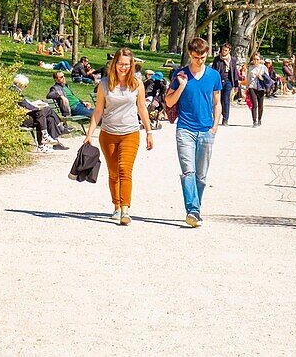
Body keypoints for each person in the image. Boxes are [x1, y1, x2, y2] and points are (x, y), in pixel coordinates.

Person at [85, 48, 154, 225]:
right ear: (114, 64)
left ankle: (125, 210)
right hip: (108, 133)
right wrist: (90, 133)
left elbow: (142, 108)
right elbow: (98, 110)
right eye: (120, 64)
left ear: (132, 65)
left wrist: (149, 131)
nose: (123, 67)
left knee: (125, 170)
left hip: (130, 132)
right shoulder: (104, 84)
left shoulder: (137, 84)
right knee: (113, 172)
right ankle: (116, 206)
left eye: (127, 64)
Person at [164, 37, 222, 227]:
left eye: (203, 57)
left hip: (206, 130)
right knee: (188, 171)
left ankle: (195, 209)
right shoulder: (180, 74)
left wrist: (215, 126)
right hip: (185, 129)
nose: (200, 61)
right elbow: (170, 102)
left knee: (201, 175)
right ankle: (193, 210)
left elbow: (217, 102)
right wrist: (181, 85)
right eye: (196, 57)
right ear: (190, 54)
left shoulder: (213, 75)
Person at [13, 74, 66, 152]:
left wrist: (35, 106)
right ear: (20, 85)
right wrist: (37, 107)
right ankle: (52, 133)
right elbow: (27, 106)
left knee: (48, 118)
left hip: (24, 116)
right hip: (21, 119)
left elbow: (26, 105)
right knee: (43, 111)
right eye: (25, 86)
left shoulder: (15, 91)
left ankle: (45, 142)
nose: (25, 87)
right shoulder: (16, 93)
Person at [210, 43, 239, 126]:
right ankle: (215, 117)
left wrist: (236, 85)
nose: (223, 52)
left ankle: (225, 118)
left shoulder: (232, 60)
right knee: (217, 100)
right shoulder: (217, 59)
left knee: (225, 100)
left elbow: (235, 73)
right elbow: (213, 71)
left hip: (228, 82)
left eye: (225, 50)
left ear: (229, 51)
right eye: (222, 50)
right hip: (218, 81)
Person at [246, 54, 269, 127]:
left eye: (257, 59)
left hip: (261, 87)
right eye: (254, 59)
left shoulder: (263, 67)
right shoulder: (250, 67)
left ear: (260, 60)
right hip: (252, 87)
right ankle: (254, 121)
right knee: (254, 104)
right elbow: (248, 78)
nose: (256, 61)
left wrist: (261, 77)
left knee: (260, 105)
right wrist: (247, 87)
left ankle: (259, 119)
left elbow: (267, 79)